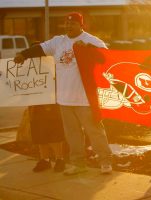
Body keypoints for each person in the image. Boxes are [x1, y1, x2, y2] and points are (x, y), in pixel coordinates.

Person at [14, 12, 112, 175]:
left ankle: (105, 161)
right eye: (66, 24)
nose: (68, 26)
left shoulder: (92, 40)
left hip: (85, 99)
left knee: (95, 132)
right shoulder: (58, 42)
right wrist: (24, 54)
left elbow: (106, 58)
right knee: (72, 135)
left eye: (72, 24)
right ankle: (78, 164)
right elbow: (41, 48)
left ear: (81, 25)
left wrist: (90, 49)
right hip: (65, 100)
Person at [29, 104, 66, 173]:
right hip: (35, 104)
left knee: (53, 132)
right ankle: (45, 160)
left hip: (50, 103)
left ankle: (60, 160)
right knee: (39, 132)